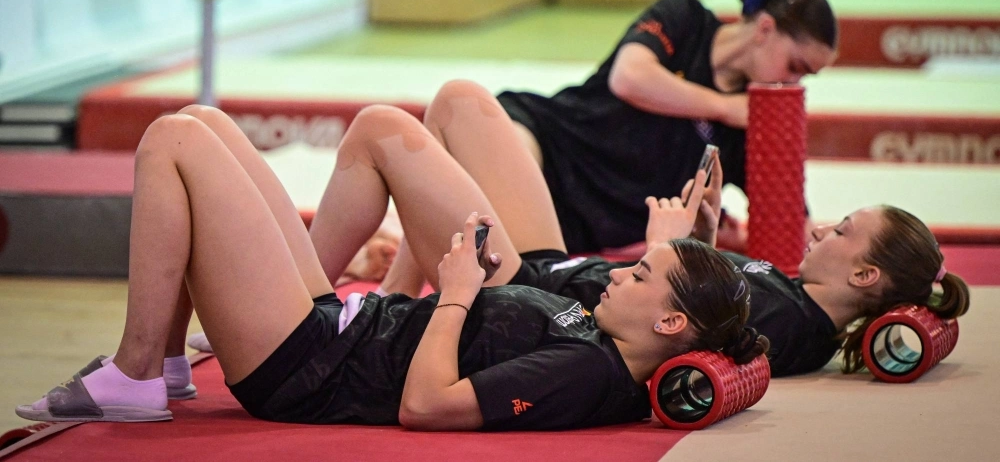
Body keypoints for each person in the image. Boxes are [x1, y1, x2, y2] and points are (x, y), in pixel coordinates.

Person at [17, 104, 766, 431]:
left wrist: (457, 295)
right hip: (343, 325)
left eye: (638, 277)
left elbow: (426, 408)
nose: (619, 273)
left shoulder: (587, 372)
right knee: (205, 125)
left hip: (307, 364)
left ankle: (138, 369)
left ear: (670, 323)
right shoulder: (597, 341)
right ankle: (163, 373)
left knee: (171, 141)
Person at [352, 80, 970, 377]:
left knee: (385, 133)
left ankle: (324, 298)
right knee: (459, 104)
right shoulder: (795, 297)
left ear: (864, 274)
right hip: (555, 263)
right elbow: (702, 304)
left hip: (524, 289)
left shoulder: (792, 328)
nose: (823, 229)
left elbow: (662, 338)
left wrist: (661, 248)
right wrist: (698, 243)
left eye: (843, 232)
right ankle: (394, 304)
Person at [496, 0, 838, 253]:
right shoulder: (685, 17)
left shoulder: (755, 121)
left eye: (805, 77)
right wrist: (725, 107)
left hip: (594, 220)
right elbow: (629, 77)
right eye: (795, 67)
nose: (793, 83)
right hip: (556, 144)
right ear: (765, 29)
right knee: (499, 133)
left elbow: (790, 225)